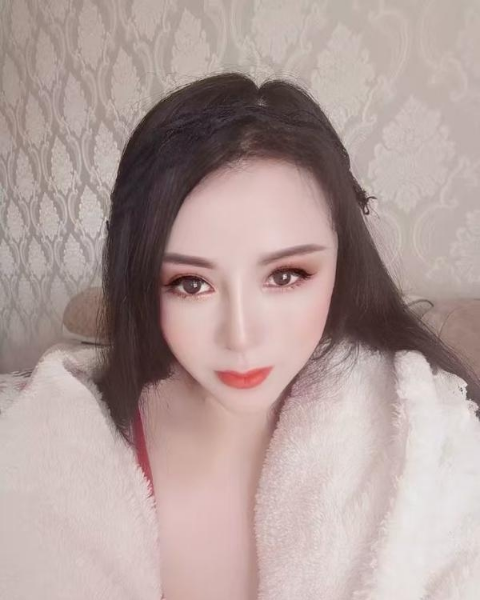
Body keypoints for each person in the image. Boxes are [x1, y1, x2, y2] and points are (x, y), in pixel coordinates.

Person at [1, 72, 480, 600]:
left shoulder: (420, 440)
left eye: (286, 276)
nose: (241, 336)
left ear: (342, 264)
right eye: (191, 284)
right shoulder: (49, 456)